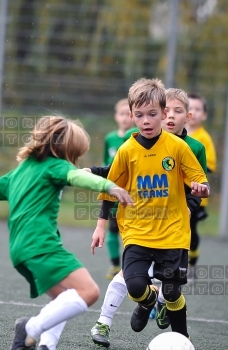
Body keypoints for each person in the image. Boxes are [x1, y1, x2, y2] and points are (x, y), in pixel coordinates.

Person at [0, 116, 134, 350]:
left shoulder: (18, 173)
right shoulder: (56, 165)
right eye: (75, 153)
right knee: (88, 291)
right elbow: (77, 176)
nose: (75, 160)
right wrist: (109, 185)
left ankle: (46, 345)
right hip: (40, 245)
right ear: (64, 149)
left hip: (20, 250)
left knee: (63, 298)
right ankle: (30, 329)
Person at [90, 79, 209, 347]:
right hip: (136, 232)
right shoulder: (126, 150)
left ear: (164, 114)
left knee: (173, 291)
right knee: (134, 286)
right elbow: (111, 187)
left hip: (173, 234)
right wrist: (100, 226)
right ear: (131, 116)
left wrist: (202, 189)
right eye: (140, 115)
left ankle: (182, 340)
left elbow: (198, 180)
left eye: (152, 114)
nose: (146, 120)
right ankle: (148, 301)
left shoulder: (178, 148)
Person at [102, 98, 135, 279]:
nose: (124, 118)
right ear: (116, 116)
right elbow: (105, 163)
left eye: (127, 114)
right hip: (114, 191)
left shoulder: (136, 137)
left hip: (132, 193)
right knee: (112, 228)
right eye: (121, 114)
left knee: (130, 231)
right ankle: (115, 265)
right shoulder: (110, 138)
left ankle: (131, 266)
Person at [186, 92, 217, 278]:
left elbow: (210, 166)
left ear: (204, 115)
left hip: (195, 195)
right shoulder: (173, 136)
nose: (194, 112)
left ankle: (192, 263)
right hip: (175, 193)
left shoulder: (203, 138)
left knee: (191, 228)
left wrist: (189, 166)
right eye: (190, 108)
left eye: (198, 109)